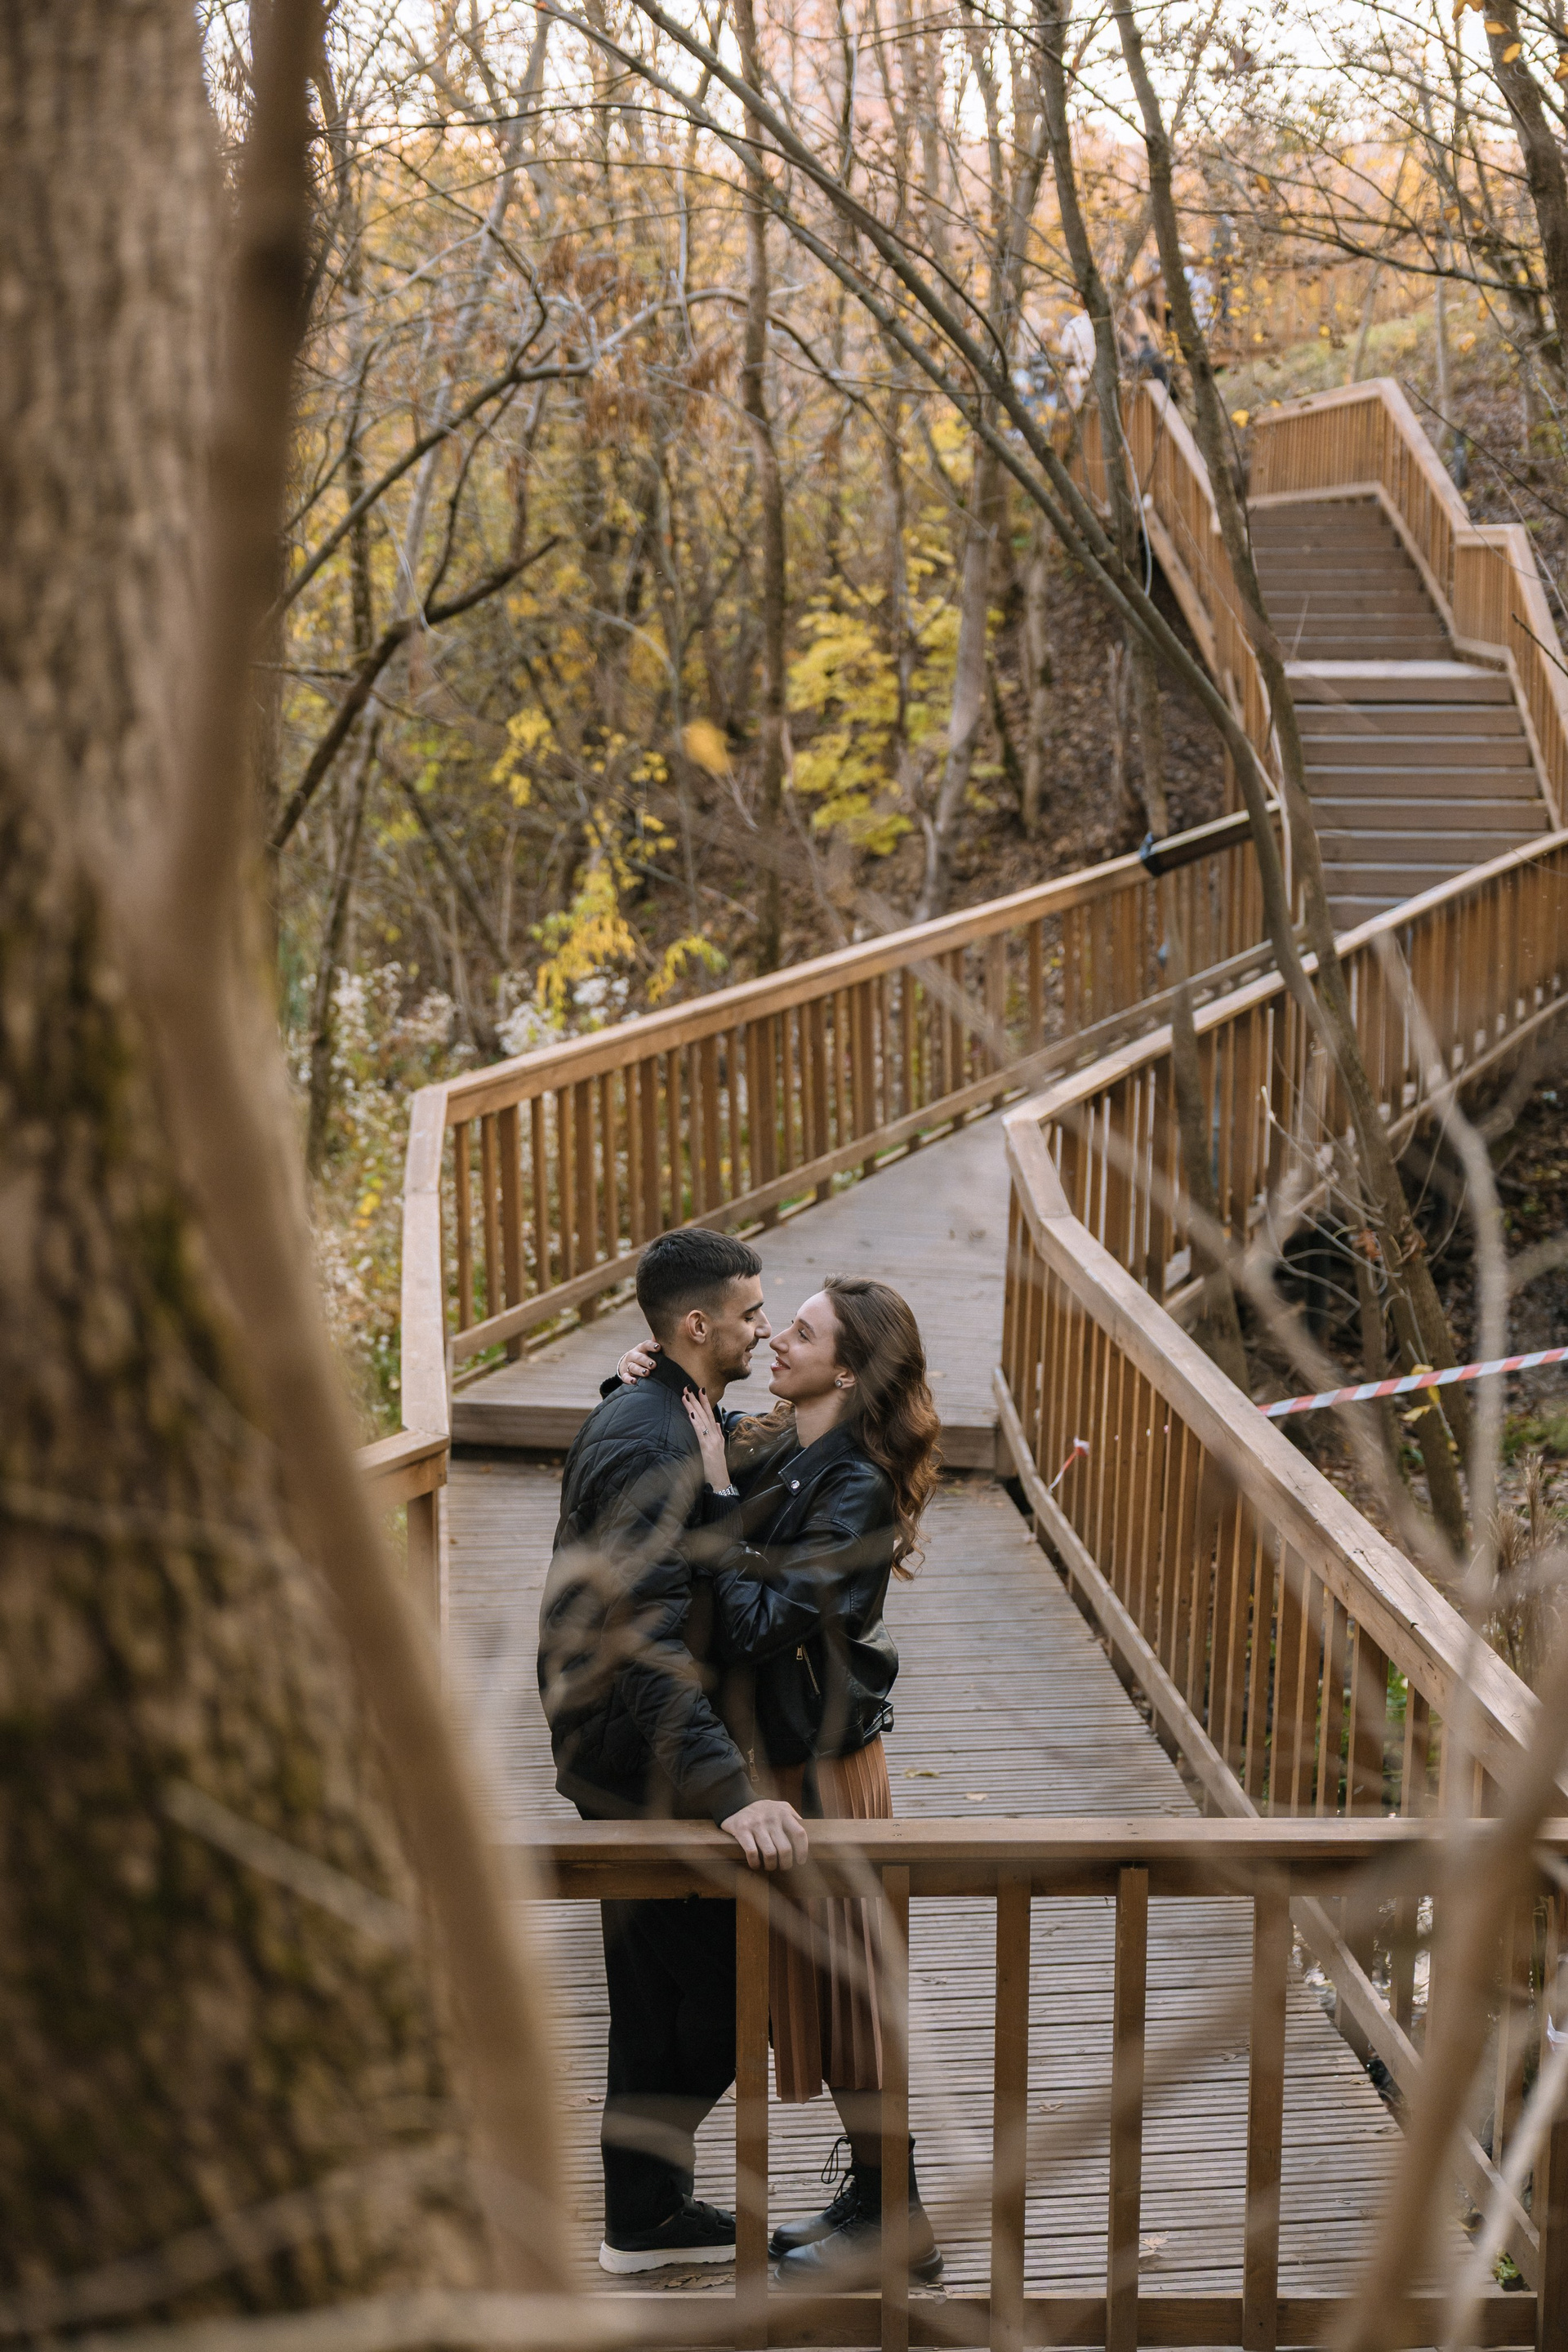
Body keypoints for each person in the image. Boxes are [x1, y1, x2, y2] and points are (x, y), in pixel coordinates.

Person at [613, 1274, 944, 2287]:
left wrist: (718, 1501)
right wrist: (646, 1381)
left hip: (826, 1766)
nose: (776, 1341)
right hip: (785, 1758)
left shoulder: (857, 1486)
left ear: (847, 1372)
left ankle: (898, 2222)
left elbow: (760, 1623)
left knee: (852, 1992)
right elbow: (693, 1434)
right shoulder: (785, 1441)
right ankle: (877, 2202)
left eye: (800, 1332)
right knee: (828, 1987)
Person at [538, 1228, 810, 2277]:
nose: (763, 1329)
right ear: (697, 1324)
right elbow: (641, 1638)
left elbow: (742, 1456)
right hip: (637, 1758)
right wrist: (730, 1793)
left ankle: (642, 2220)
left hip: (615, 1743)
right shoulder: (653, 1438)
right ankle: (644, 2211)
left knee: (657, 1995)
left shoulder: (663, 1412)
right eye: (751, 1313)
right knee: (735, 1986)